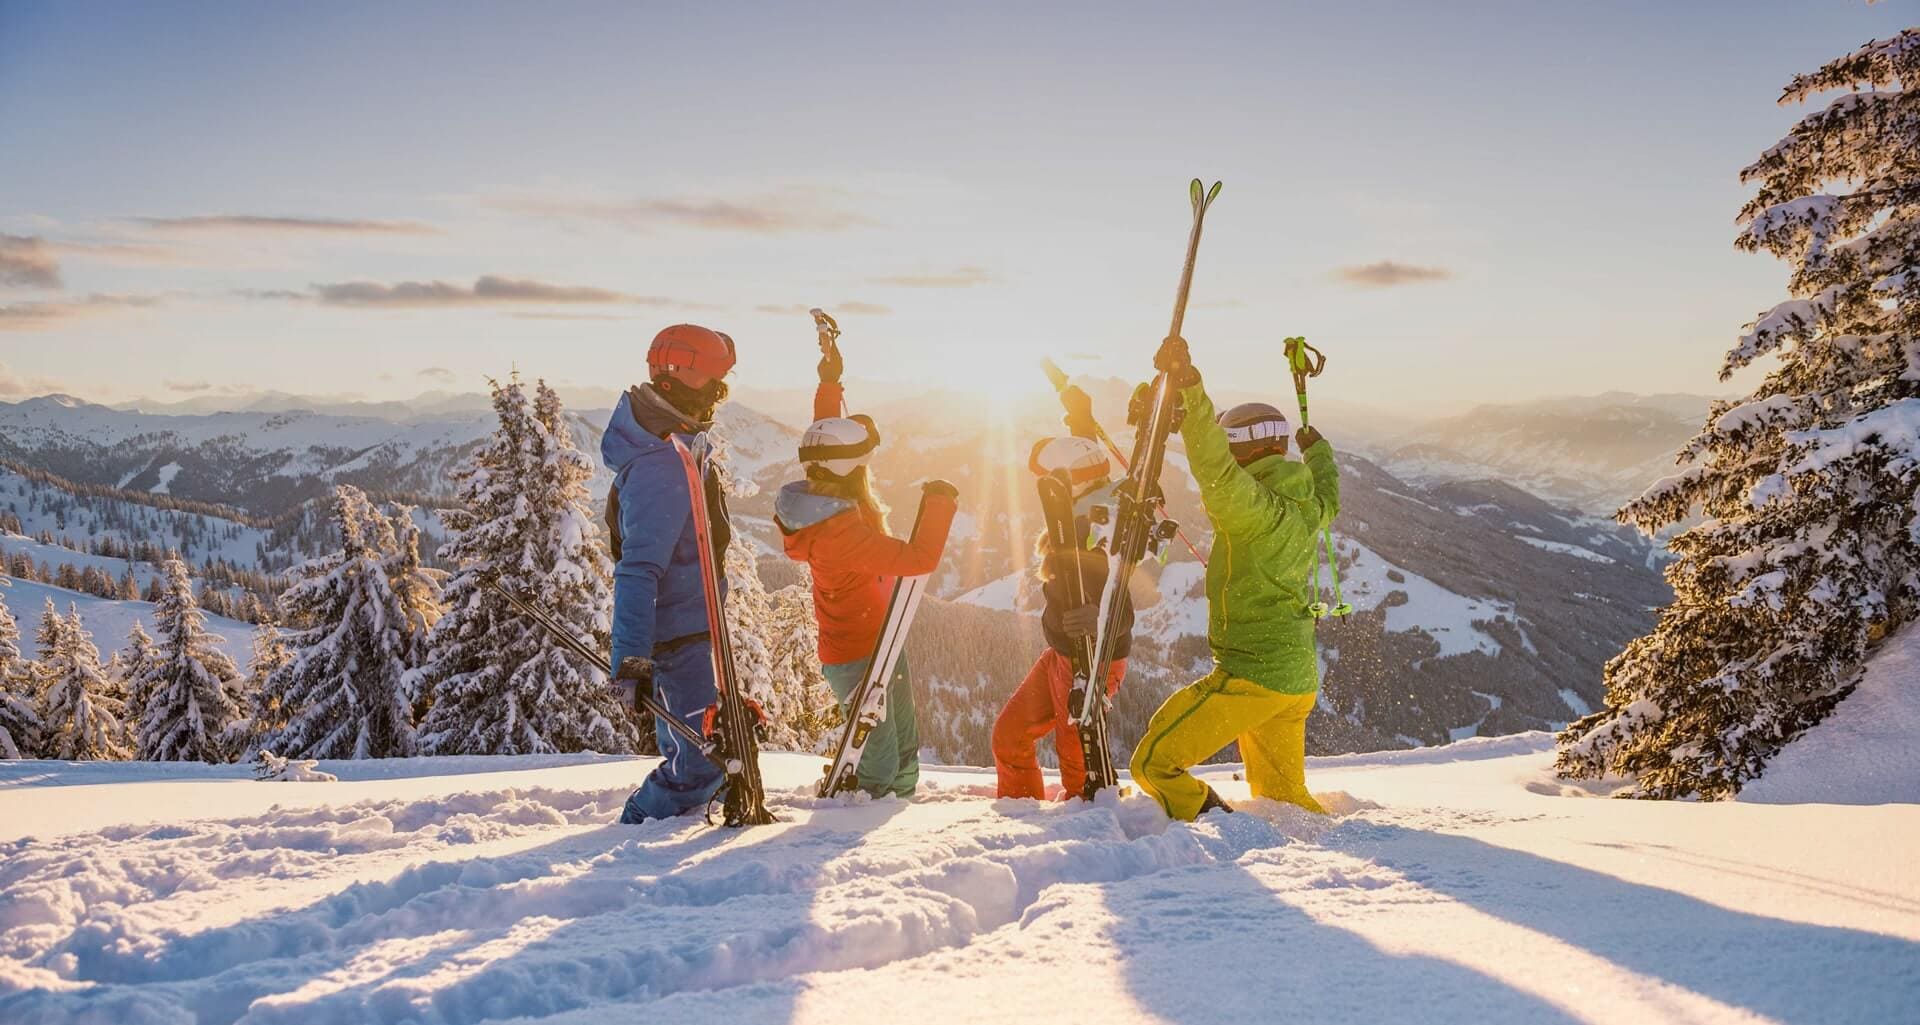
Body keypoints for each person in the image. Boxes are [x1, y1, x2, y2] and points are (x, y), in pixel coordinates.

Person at [1129, 335, 1340, 819]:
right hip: (1296, 679)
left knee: (1154, 764)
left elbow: (1213, 468)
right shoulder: (1309, 506)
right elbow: (1330, 492)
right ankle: (1318, 854)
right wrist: (1319, 453)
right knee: (1283, 800)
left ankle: (1215, 825)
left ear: (1244, 449)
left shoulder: (1256, 509)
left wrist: (1190, 387)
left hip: (1255, 675)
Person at [775, 331, 957, 798]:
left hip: (881, 640)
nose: (866, 467)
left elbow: (826, 436)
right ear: (848, 470)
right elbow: (918, 560)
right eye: (861, 462)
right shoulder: (839, 535)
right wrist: (940, 502)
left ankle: (902, 810)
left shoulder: (824, 494)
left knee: (904, 747)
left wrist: (830, 382)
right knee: (879, 757)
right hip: (857, 655)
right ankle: (861, 821)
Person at [603, 323, 738, 824]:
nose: (719, 397)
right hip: (677, 639)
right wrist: (632, 657)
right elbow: (637, 569)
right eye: (712, 385)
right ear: (675, 381)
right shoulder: (661, 464)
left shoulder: (679, 445)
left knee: (714, 752)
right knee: (695, 767)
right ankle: (636, 828)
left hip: (694, 631)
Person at [991, 409, 1132, 800]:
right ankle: (1019, 812)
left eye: (1050, 481)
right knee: (1009, 735)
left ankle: (1087, 830)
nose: (1043, 487)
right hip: (1060, 655)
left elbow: (1125, 603)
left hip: (1092, 660)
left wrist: (1101, 619)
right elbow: (1085, 463)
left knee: (1078, 763)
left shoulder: (1103, 529)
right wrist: (1081, 419)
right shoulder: (1072, 514)